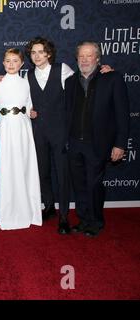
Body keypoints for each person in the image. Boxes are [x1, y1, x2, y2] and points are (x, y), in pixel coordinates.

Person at [25, 37, 114, 235]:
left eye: (41, 51)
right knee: (43, 172)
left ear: (48, 53)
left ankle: (64, 216)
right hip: (38, 131)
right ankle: (49, 207)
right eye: (33, 52)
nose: (37, 56)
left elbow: (85, 82)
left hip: (61, 132)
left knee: (63, 175)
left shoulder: (62, 70)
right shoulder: (28, 75)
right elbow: (22, 99)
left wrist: (102, 70)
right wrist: (28, 111)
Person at [65, 41, 129, 238]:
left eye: (89, 56)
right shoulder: (70, 82)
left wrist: (120, 144)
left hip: (98, 143)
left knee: (94, 185)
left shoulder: (112, 78)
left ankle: (96, 221)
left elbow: (122, 114)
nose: (84, 60)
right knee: (80, 185)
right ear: (77, 59)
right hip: (75, 143)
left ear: (98, 58)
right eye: (81, 56)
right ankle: (84, 220)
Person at [0, 48, 42, 230]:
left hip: (22, 129)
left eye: (15, 61)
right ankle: (6, 212)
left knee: (23, 167)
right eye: (8, 61)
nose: (11, 64)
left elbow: (29, 105)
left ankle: (27, 211)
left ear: (21, 64)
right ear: (3, 63)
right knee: (5, 168)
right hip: (3, 128)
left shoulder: (27, 83)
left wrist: (31, 112)